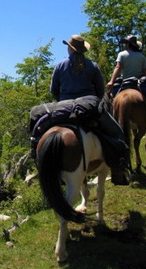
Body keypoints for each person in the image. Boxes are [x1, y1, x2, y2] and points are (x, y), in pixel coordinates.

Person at [50, 35, 129, 185]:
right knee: (118, 133)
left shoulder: (60, 66)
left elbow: (53, 90)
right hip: (89, 106)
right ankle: (118, 171)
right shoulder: (92, 66)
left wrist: (63, 101)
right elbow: (100, 91)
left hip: (64, 106)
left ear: (69, 48)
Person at [106, 34, 146, 130]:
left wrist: (111, 81)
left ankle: (110, 121)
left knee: (112, 100)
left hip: (125, 83)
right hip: (139, 83)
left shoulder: (122, 54)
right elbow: (145, 73)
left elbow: (118, 67)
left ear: (128, 45)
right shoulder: (141, 56)